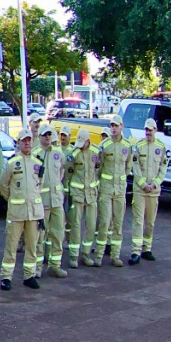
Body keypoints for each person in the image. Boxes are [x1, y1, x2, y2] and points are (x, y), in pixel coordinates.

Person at [0, 133, 46, 291]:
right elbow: (3, 185)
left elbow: (39, 184)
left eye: (29, 140)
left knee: (32, 246)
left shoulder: (38, 162)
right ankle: (6, 277)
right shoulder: (11, 163)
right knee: (11, 246)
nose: (27, 143)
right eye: (23, 141)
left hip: (34, 212)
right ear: (18, 142)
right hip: (16, 212)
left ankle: (29, 275)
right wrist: (14, 199)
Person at [94, 117, 133, 267]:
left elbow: (128, 166)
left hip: (120, 189)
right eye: (111, 126)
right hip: (106, 188)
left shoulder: (127, 145)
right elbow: (99, 166)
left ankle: (115, 255)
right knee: (104, 222)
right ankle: (98, 254)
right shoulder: (104, 145)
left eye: (116, 126)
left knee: (118, 223)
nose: (113, 128)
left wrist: (122, 180)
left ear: (122, 126)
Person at [35, 125, 70, 279]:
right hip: (42, 202)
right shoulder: (35, 154)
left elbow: (62, 170)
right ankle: (36, 268)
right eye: (45, 135)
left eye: (50, 135)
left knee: (57, 234)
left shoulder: (58, 153)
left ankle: (55, 265)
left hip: (56, 201)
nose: (48, 138)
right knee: (40, 236)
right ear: (39, 137)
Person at [131, 119, 166, 262]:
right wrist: (143, 184)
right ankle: (136, 252)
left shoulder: (161, 147)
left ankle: (147, 249)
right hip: (140, 190)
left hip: (153, 191)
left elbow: (163, 168)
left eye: (150, 130)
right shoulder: (139, 146)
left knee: (150, 222)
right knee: (138, 221)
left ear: (155, 130)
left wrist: (155, 184)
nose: (148, 132)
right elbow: (135, 167)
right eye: (146, 129)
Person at [66, 129, 101, 267]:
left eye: (83, 143)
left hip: (91, 194)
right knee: (75, 224)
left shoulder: (96, 152)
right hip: (78, 194)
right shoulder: (73, 154)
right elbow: (68, 173)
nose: (81, 146)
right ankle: (74, 255)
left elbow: (98, 169)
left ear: (88, 141)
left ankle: (86, 253)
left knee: (91, 225)